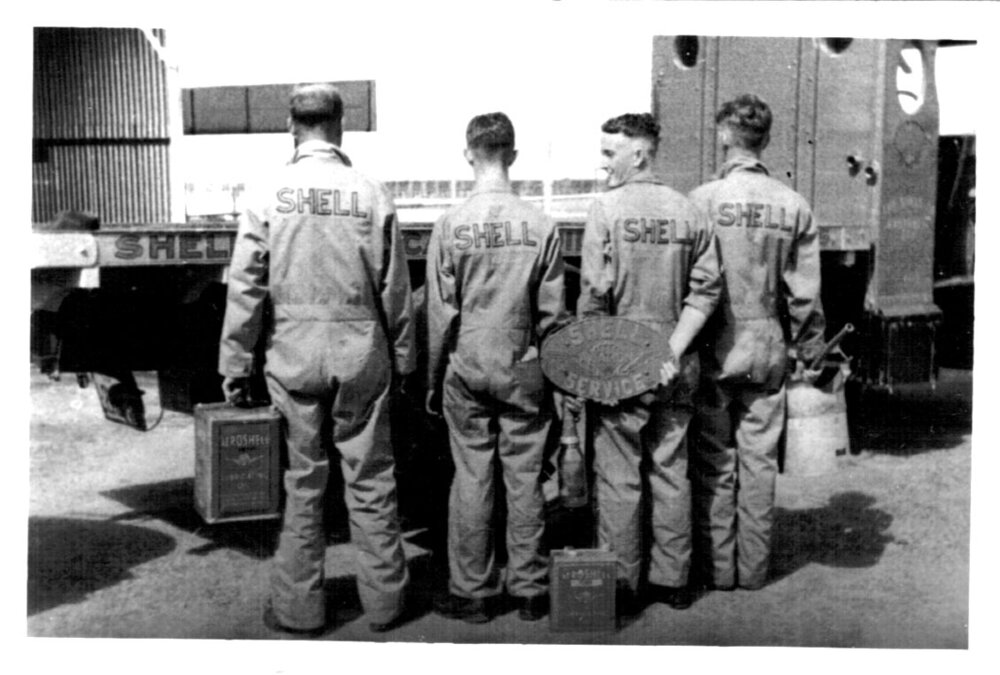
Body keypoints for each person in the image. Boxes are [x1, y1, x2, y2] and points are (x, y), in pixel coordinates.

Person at [218, 83, 415, 635]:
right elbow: (395, 288)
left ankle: (299, 609)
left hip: (293, 352)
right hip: (360, 350)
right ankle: (386, 604)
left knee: (302, 482)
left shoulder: (266, 193)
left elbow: (246, 288)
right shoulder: (372, 194)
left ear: (291, 125)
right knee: (372, 477)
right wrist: (403, 358)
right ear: (340, 125)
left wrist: (235, 363)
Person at [425, 112, 569, 624]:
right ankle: (530, 588)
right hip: (525, 362)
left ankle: (474, 591)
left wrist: (432, 379)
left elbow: (441, 315)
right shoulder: (541, 225)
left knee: (472, 476)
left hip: (466, 360)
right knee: (526, 477)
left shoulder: (450, 225)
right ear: (512, 154)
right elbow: (553, 318)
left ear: (469, 154)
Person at [578, 112, 722, 613]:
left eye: (609, 153)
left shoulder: (606, 210)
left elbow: (594, 297)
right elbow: (705, 292)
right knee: (670, 465)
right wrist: (673, 351)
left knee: (619, 476)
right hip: (676, 361)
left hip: (620, 361)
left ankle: (622, 587)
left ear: (638, 153)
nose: (603, 165)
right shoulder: (689, 211)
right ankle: (674, 581)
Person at [688, 94, 826, 591]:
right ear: (765, 141)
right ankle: (754, 569)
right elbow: (805, 295)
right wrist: (810, 349)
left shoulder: (701, 200)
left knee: (714, 458)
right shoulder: (793, 205)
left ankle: (719, 570)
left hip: (716, 341)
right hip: (767, 340)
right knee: (760, 460)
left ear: (725, 137)